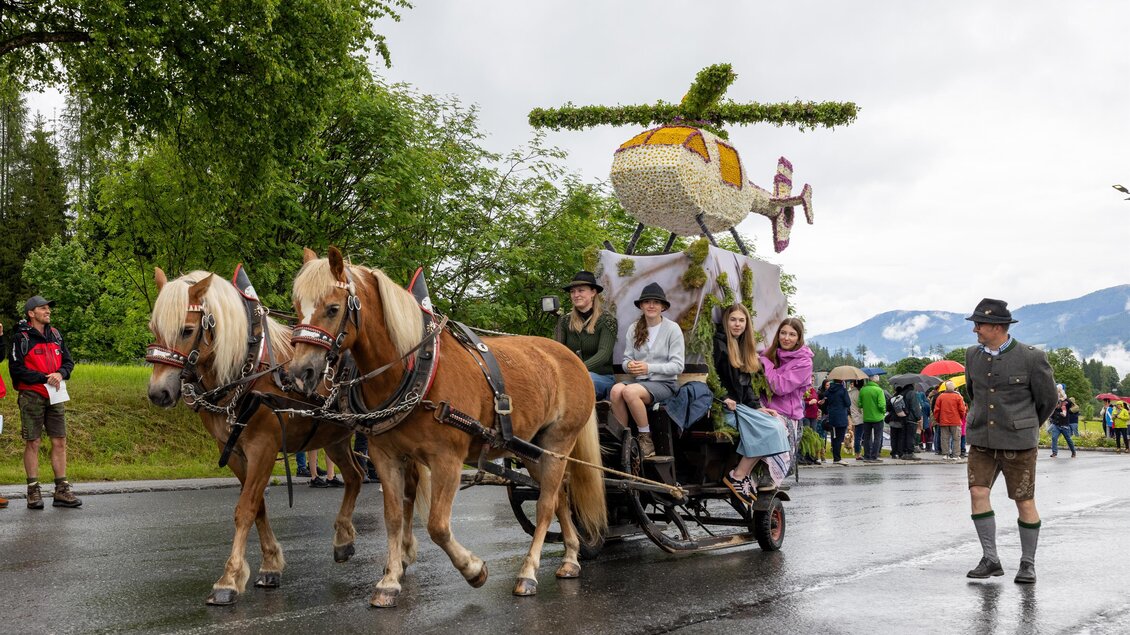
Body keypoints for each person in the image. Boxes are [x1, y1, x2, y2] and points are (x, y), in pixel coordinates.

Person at [963, 298, 1057, 584]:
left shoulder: (1032, 357)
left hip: (1019, 442)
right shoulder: (972, 355)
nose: (975, 329)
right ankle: (990, 559)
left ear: (997, 326)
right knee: (977, 492)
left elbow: (1048, 400)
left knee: (1024, 500)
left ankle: (1027, 564)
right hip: (982, 439)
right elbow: (973, 393)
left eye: (979, 324)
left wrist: (1026, 426)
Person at [722, 317, 813, 493]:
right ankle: (744, 475)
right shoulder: (770, 353)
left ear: (799, 337)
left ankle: (754, 475)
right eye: (783, 333)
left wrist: (766, 363)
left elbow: (779, 387)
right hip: (763, 407)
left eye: (792, 334)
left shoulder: (804, 362)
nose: (786, 338)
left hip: (787, 413)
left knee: (771, 428)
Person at [9, 296, 81, 509]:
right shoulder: (20, 338)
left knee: (60, 441)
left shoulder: (56, 334)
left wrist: (60, 373)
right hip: (31, 395)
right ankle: (33, 490)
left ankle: (62, 490)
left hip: (56, 395)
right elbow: (16, 369)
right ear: (31, 313)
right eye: (43, 308)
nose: (48, 311)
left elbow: (69, 362)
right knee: (33, 442)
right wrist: (44, 378)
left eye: (48, 308)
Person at [712, 304, 779, 502]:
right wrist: (723, 397)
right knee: (766, 430)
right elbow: (711, 377)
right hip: (723, 405)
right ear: (726, 321)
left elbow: (747, 386)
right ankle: (738, 476)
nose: (737, 324)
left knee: (775, 424)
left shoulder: (744, 347)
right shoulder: (719, 344)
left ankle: (741, 475)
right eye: (733, 319)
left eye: (742, 320)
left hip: (742, 406)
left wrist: (759, 407)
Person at [609, 282, 684, 459]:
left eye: (656, 302)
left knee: (629, 392)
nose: (651, 305)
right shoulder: (634, 329)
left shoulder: (672, 329)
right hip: (640, 382)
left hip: (665, 384)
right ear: (641, 306)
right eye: (647, 302)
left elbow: (678, 366)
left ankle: (645, 440)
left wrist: (648, 367)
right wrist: (630, 366)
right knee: (616, 390)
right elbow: (626, 360)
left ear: (663, 307)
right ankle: (623, 439)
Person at [555, 271, 617, 400]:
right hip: (569, 375)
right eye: (572, 292)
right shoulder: (564, 321)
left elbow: (604, 354)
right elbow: (557, 351)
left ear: (593, 292)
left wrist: (577, 369)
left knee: (577, 382)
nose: (576, 295)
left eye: (581, 290)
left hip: (601, 377)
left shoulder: (606, 320)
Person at [934, 380, 967, 461]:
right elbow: (962, 409)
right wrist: (961, 417)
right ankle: (956, 455)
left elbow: (936, 410)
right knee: (956, 438)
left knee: (944, 438)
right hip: (955, 421)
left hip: (944, 421)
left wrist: (938, 419)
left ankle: (945, 454)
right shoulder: (958, 397)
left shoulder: (941, 396)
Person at [889, 383, 921, 460]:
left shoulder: (901, 393)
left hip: (903, 418)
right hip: (911, 418)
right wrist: (918, 417)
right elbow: (914, 407)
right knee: (911, 436)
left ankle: (904, 452)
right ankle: (910, 453)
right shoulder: (912, 393)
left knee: (904, 436)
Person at [822, 379, 851, 464]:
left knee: (834, 437)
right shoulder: (843, 390)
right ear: (841, 381)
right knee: (839, 438)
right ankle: (837, 458)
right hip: (841, 416)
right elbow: (848, 403)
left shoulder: (829, 391)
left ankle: (836, 457)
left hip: (832, 416)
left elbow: (825, 400)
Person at [859, 376, 886, 463]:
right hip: (877, 417)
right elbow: (881, 405)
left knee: (867, 437)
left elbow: (859, 404)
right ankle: (874, 456)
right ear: (876, 380)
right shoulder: (879, 390)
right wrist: (883, 412)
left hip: (867, 417)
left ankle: (867, 456)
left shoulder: (863, 390)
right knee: (877, 437)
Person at [1048, 388, 1076, 459]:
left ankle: (1073, 452)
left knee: (1068, 439)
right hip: (1056, 425)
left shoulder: (1066, 404)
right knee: (1054, 438)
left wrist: (1064, 397)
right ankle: (1054, 452)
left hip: (1064, 425)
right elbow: (1052, 412)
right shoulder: (1056, 402)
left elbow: (1070, 403)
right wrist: (1051, 419)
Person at [849, 380, 864, 459]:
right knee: (859, 436)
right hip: (860, 416)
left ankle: (857, 453)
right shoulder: (859, 393)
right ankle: (858, 454)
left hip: (853, 416)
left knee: (856, 436)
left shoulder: (850, 393)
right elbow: (861, 405)